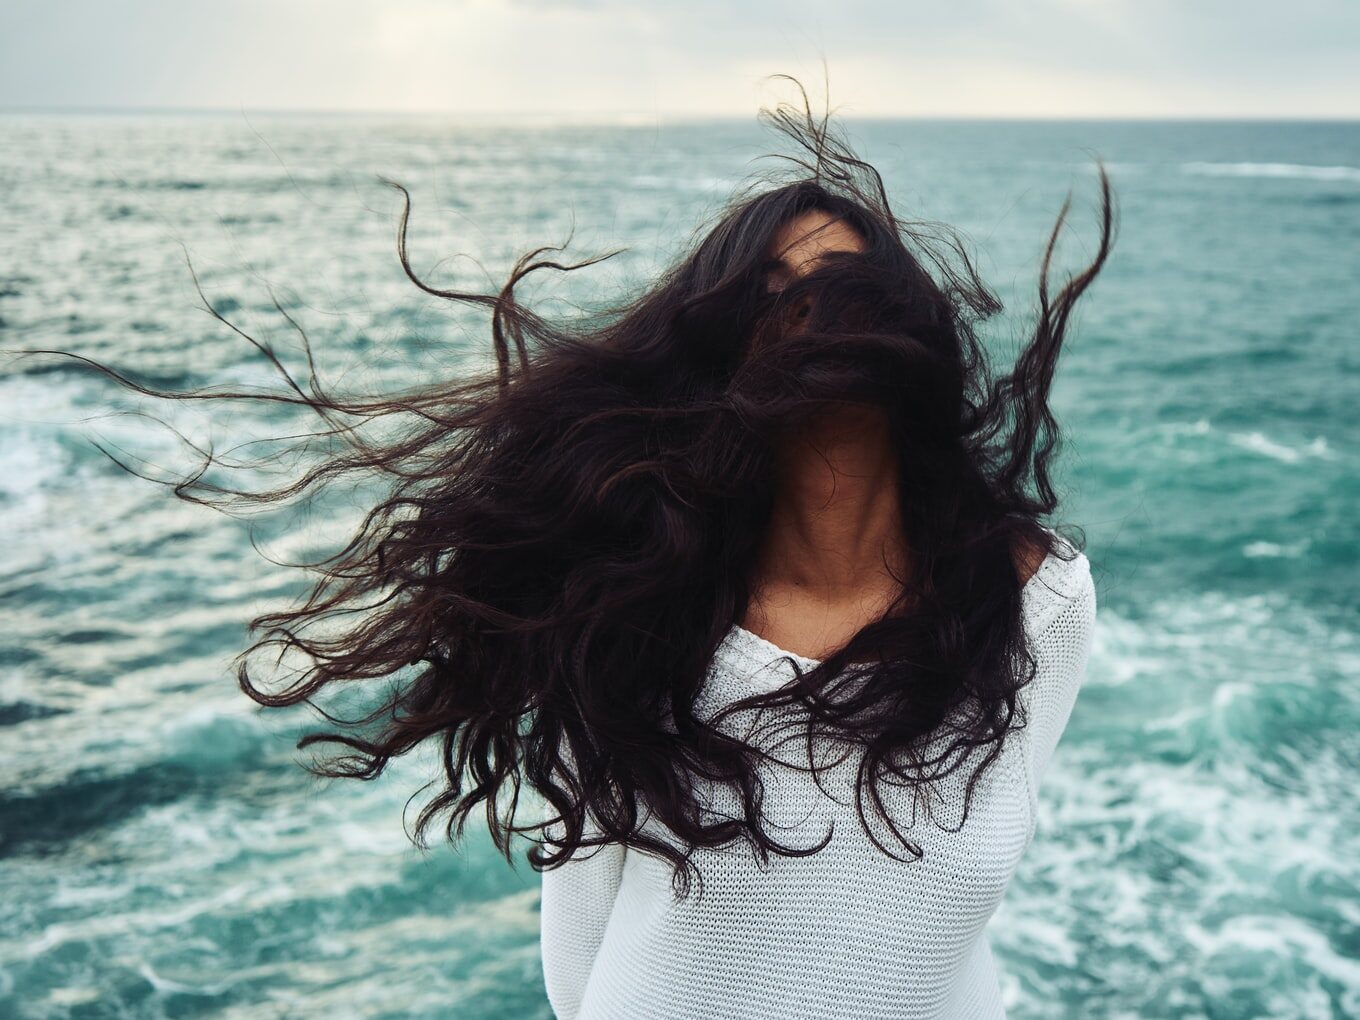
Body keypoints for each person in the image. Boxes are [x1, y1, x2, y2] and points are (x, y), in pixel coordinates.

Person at [21, 78, 1114, 1018]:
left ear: (907, 323)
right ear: (719, 351)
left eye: (838, 288)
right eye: (768, 299)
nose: (807, 318)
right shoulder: (648, 605)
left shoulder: (1038, 602)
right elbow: (582, 932)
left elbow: (945, 916)